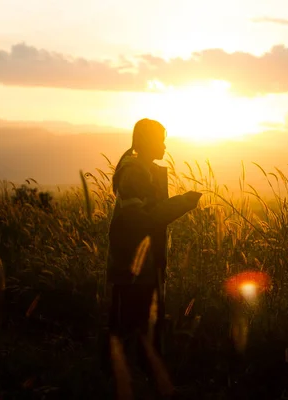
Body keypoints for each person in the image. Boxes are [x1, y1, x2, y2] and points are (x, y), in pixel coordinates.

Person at [104, 118, 202, 372]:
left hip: (144, 263)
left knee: (140, 324)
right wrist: (183, 202)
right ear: (147, 142)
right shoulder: (134, 173)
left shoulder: (143, 170)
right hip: (135, 266)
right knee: (137, 325)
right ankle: (135, 380)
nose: (165, 146)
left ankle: (139, 377)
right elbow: (143, 220)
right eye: (160, 140)